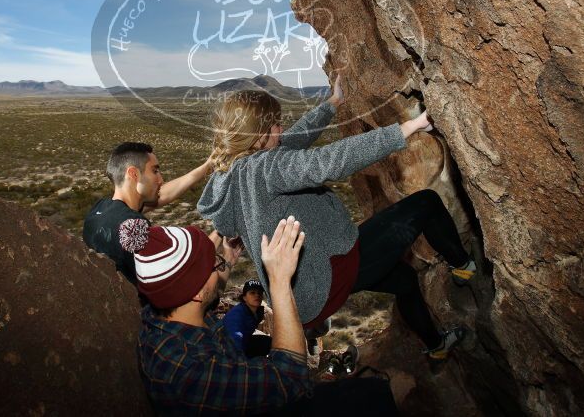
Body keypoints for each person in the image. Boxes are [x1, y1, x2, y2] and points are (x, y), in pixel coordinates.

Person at [197, 77, 476, 360]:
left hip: (302, 293)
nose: (282, 129)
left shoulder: (232, 173)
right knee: (425, 203)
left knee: (403, 280)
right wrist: (410, 128)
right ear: (257, 136)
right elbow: (330, 160)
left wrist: (332, 103)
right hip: (328, 273)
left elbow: (293, 138)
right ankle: (463, 266)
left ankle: (436, 347)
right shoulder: (266, 168)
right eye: (276, 125)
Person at [136, 216, 313, 415]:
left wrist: (228, 260)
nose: (219, 266)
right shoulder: (188, 373)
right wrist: (280, 280)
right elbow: (291, 380)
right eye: (215, 265)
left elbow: (203, 294)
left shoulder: (168, 311)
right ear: (197, 293)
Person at [82, 142, 213, 283]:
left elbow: (164, 195)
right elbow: (169, 279)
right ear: (133, 174)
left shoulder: (100, 208)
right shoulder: (135, 226)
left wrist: (207, 166)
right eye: (155, 171)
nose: (161, 180)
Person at [223, 279, 273, 357]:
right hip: (230, 350)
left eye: (259, 293)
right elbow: (234, 340)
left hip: (246, 341)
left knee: (269, 342)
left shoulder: (257, 312)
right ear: (244, 298)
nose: (257, 295)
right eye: (252, 292)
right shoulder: (237, 315)